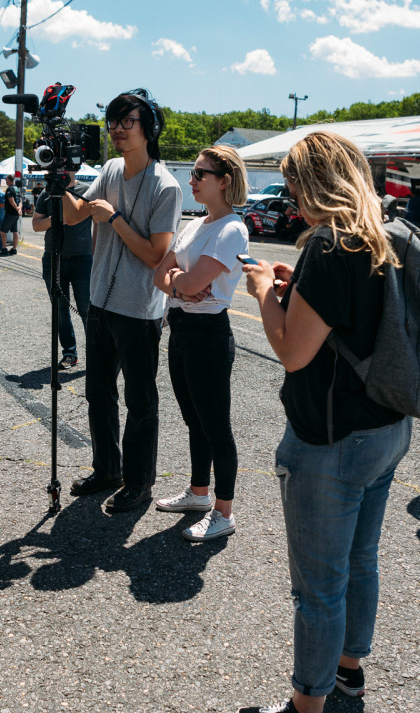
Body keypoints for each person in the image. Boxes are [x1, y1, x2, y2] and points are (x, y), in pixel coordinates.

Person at [235, 132, 412, 713]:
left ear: (314, 184)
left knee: (318, 585)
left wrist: (263, 294)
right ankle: (348, 669)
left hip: (331, 439)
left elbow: (292, 351)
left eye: (292, 185)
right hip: (387, 427)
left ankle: (306, 710)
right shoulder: (386, 239)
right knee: (360, 561)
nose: (289, 197)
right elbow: (349, 320)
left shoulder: (330, 246)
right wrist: (296, 289)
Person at [61, 89, 183, 513]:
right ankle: (107, 469)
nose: (116, 129)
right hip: (101, 302)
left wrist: (113, 217)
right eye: (112, 121)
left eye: (126, 121)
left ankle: (138, 482)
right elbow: (73, 214)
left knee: (140, 401)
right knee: (98, 393)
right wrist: (62, 180)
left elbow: (155, 255)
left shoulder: (165, 186)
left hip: (139, 309)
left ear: (148, 127)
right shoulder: (111, 168)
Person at [151, 145, 249, 542]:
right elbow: (161, 276)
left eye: (199, 174)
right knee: (194, 420)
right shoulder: (195, 224)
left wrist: (180, 283)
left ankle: (223, 512)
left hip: (209, 335)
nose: (191, 180)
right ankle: (199, 493)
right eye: (193, 173)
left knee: (215, 426)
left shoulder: (232, 228)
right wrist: (181, 285)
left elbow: (186, 283)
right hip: (181, 329)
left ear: (224, 181)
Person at [31, 168, 92, 370]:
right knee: (60, 310)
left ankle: (96, 354)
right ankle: (70, 353)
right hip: (53, 258)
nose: (62, 167)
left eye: (66, 162)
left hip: (83, 259)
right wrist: (53, 221)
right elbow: (36, 224)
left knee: (87, 309)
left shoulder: (88, 190)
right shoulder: (47, 192)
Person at [1, 174, 21, 255]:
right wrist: (19, 209)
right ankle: (14, 249)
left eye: (6, 180)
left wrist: (17, 209)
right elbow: (20, 200)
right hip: (16, 214)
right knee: (14, 231)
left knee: (2, 231)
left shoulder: (9, 189)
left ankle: (4, 248)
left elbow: (11, 200)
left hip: (10, 213)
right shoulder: (17, 189)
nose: (5, 181)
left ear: (9, 180)